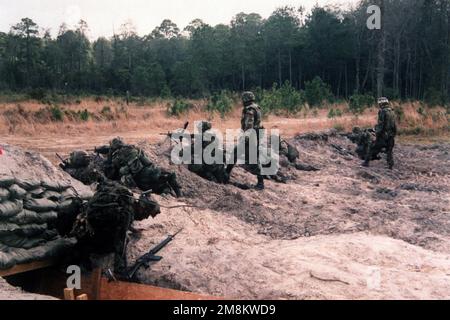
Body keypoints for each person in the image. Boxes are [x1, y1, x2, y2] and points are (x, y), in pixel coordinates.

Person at [71, 180, 160, 275]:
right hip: (90, 237)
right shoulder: (126, 213)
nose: (145, 217)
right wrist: (121, 269)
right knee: (123, 240)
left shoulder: (125, 198)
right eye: (147, 215)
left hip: (84, 226)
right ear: (143, 208)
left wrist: (130, 228)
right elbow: (120, 243)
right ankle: (83, 258)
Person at [98, 138, 182, 197]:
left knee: (160, 187)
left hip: (140, 183)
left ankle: (166, 192)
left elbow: (112, 174)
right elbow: (148, 163)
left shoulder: (116, 159)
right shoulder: (134, 149)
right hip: (148, 174)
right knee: (169, 175)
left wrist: (109, 155)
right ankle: (179, 195)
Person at [226, 92, 265, 190]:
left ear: (245, 99)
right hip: (256, 136)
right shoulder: (257, 107)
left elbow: (249, 125)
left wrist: (245, 138)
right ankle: (260, 182)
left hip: (250, 137)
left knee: (247, 158)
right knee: (251, 158)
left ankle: (225, 175)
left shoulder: (249, 110)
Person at [363, 97, 397, 169]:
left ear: (381, 104)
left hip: (383, 135)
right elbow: (394, 125)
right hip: (391, 135)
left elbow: (381, 125)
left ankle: (366, 162)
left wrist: (376, 133)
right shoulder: (392, 111)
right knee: (389, 151)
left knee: (372, 147)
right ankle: (390, 165)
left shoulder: (382, 111)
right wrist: (393, 135)